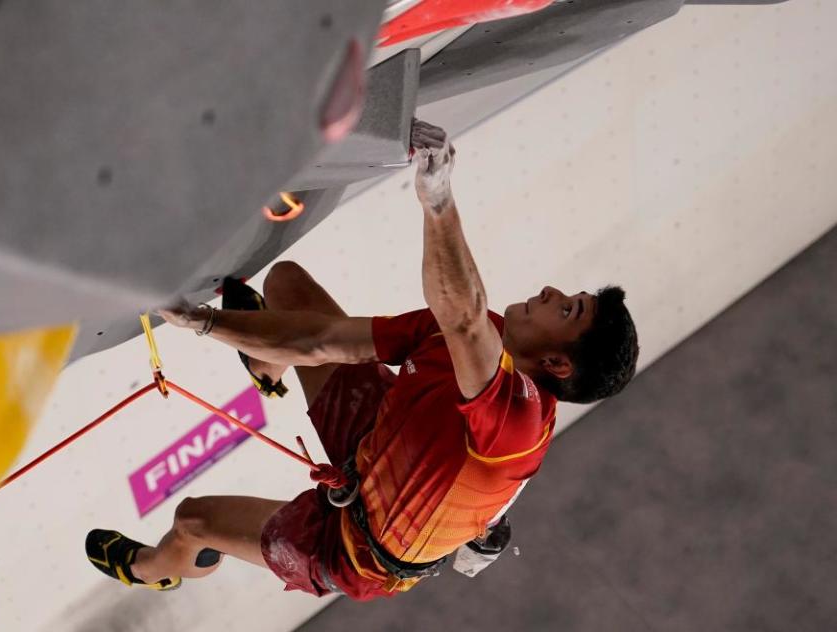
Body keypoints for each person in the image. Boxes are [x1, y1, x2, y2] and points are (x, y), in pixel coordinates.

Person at [85, 119, 639, 599]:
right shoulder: (471, 334)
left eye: (565, 310)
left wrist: (438, 198)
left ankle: (156, 569)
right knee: (287, 285)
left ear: (558, 365)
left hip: (352, 548)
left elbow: (463, 317)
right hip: (380, 440)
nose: (548, 292)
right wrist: (208, 323)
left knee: (194, 520)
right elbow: (323, 338)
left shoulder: (516, 419)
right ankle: (266, 369)